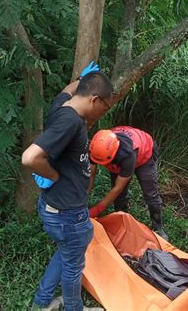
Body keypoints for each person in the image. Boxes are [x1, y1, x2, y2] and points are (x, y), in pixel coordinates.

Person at [21, 62, 113, 311]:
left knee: (66, 253)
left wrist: (81, 78)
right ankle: (74, 308)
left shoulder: (60, 107)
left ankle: (42, 301)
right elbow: (30, 158)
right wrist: (53, 175)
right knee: (73, 265)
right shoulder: (71, 122)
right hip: (67, 212)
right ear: (95, 99)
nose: (104, 113)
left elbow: (67, 90)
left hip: (56, 207)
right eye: (105, 107)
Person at [87, 126, 168, 240]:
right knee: (119, 197)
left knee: (150, 193)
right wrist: (84, 196)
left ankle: (158, 227)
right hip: (116, 158)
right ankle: (121, 222)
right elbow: (91, 174)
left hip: (145, 154)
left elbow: (118, 188)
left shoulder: (127, 155)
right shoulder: (97, 148)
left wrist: (97, 210)